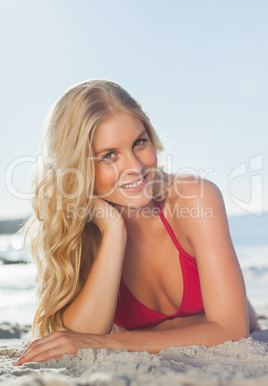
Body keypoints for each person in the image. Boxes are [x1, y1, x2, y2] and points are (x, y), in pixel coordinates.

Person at [14, 79, 259, 366]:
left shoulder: (195, 199)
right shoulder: (84, 233)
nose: (135, 167)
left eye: (139, 143)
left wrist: (111, 342)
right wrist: (113, 231)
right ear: (78, 168)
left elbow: (231, 330)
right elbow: (79, 337)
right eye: (108, 156)